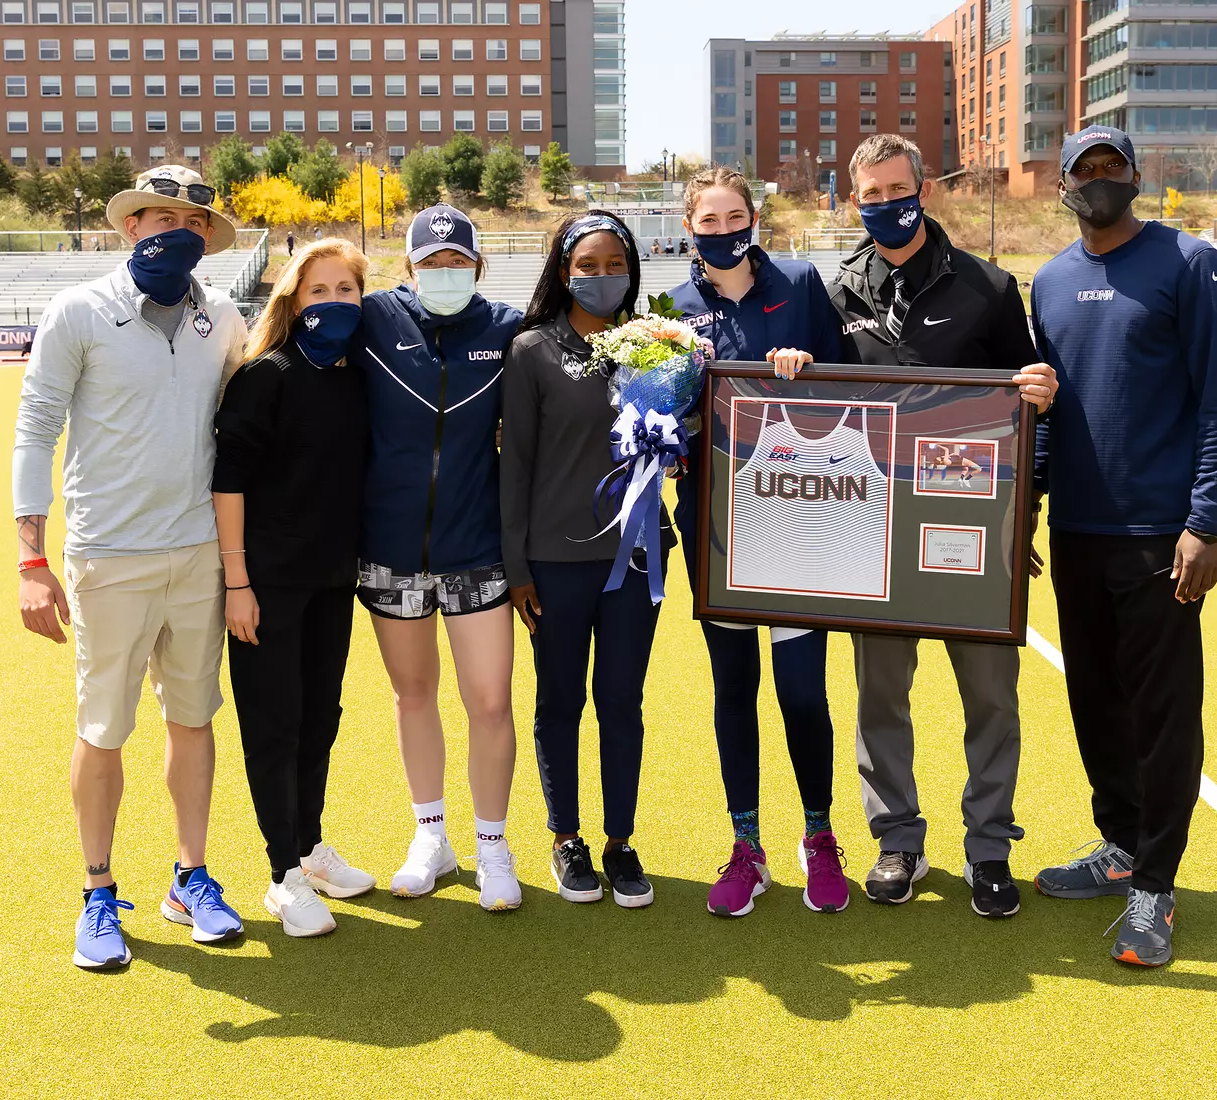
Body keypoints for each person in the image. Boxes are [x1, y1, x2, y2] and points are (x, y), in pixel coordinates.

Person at [13, 164, 250, 970]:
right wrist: (30, 557)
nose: (169, 230)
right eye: (154, 217)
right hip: (108, 555)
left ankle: (190, 878)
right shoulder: (78, 309)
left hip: (197, 556)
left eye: (187, 219)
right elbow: (36, 427)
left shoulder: (223, 317)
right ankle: (98, 890)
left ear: (207, 236)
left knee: (193, 718)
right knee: (103, 728)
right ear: (127, 227)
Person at [828, 134, 1057, 920]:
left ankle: (988, 849)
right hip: (876, 538)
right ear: (853, 199)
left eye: (897, 189)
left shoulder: (989, 288)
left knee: (991, 697)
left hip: (968, 541)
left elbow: (1028, 416)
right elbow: (819, 418)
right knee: (879, 699)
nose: (885, 204)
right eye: (870, 194)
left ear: (922, 193)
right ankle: (899, 841)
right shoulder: (839, 292)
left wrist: (1019, 515)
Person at [1030, 125, 1217, 967]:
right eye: (1086, 171)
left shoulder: (1190, 264)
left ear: (1136, 176)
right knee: (1096, 704)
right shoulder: (1046, 282)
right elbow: (1044, 417)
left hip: (1160, 536)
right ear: (1064, 188)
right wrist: (1026, 511)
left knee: (1161, 713)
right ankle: (1119, 846)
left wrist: (1206, 523)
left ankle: (1156, 882)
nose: (1101, 181)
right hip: (1078, 534)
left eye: (1114, 168)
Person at [667, 166, 850, 918]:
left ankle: (820, 837)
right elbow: (660, 419)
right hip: (716, 527)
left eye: (733, 216)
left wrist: (809, 375)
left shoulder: (803, 283)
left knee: (804, 692)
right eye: (707, 222)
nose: (721, 231)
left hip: (799, 520)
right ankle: (747, 845)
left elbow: (852, 388)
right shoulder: (670, 309)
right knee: (733, 689)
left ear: (754, 217)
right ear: (689, 228)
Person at [348, 203, 526, 911]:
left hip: (477, 548)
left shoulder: (508, 329)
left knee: (489, 701)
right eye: (432, 264)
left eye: (458, 263)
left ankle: (492, 845)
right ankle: (431, 836)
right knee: (413, 694)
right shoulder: (372, 320)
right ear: (408, 268)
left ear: (478, 267)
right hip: (389, 549)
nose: (445, 274)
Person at [501, 212, 667, 909]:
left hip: (634, 560)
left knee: (621, 703)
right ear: (563, 269)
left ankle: (620, 841)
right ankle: (566, 837)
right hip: (555, 563)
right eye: (588, 265)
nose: (603, 278)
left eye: (615, 264)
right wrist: (517, 568)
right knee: (560, 702)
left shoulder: (658, 346)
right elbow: (517, 465)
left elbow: (676, 435)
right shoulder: (533, 349)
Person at [213, 238, 376, 938]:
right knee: (273, 726)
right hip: (267, 585)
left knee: (319, 718)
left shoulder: (354, 378)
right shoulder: (265, 376)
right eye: (319, 291)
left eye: (347, 290)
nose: (334, 303)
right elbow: (229, 484)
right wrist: (237, 584)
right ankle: (281, 874)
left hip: (332, 582)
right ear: (291, 300)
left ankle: (309, 849)